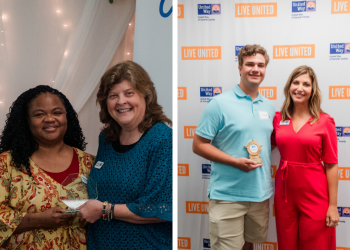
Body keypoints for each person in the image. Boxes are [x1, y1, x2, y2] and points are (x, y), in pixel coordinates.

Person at [77, 61, 172, 250]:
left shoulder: (161, 138)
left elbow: (161, 208)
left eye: (129, 93)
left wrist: (105, 210)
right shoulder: (106, 138)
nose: (121, 101)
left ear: (146, 96)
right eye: (113, 96)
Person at [192, 44, 275, 250]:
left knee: (249, 247)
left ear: (265, 69)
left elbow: (266, 144)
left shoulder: (269, 106)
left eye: (260, 65)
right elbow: (198, 145)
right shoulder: (219, 104)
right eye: (250, 64)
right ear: (240, 68)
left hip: (259, 195)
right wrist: (235, 162)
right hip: (228, 196)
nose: (255, 69)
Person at [0, 85, 95, 249]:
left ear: (68, 117)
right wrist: (37, 220)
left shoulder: (90, 163)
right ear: (27, 121)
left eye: (57, 112)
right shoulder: (6, 163)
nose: (50, 119)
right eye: (39, 114)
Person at [272, 66, 339, 250]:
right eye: (296, 82)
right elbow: (263, 147)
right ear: (289, 86)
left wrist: (333, 205)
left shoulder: (325, 121)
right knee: (286, 244)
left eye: (306, 84)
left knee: (315, 244)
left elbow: (332, 165)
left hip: (315, 193)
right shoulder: (278, 119)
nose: (300, 88)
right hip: (284, 194)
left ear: (313, 90)